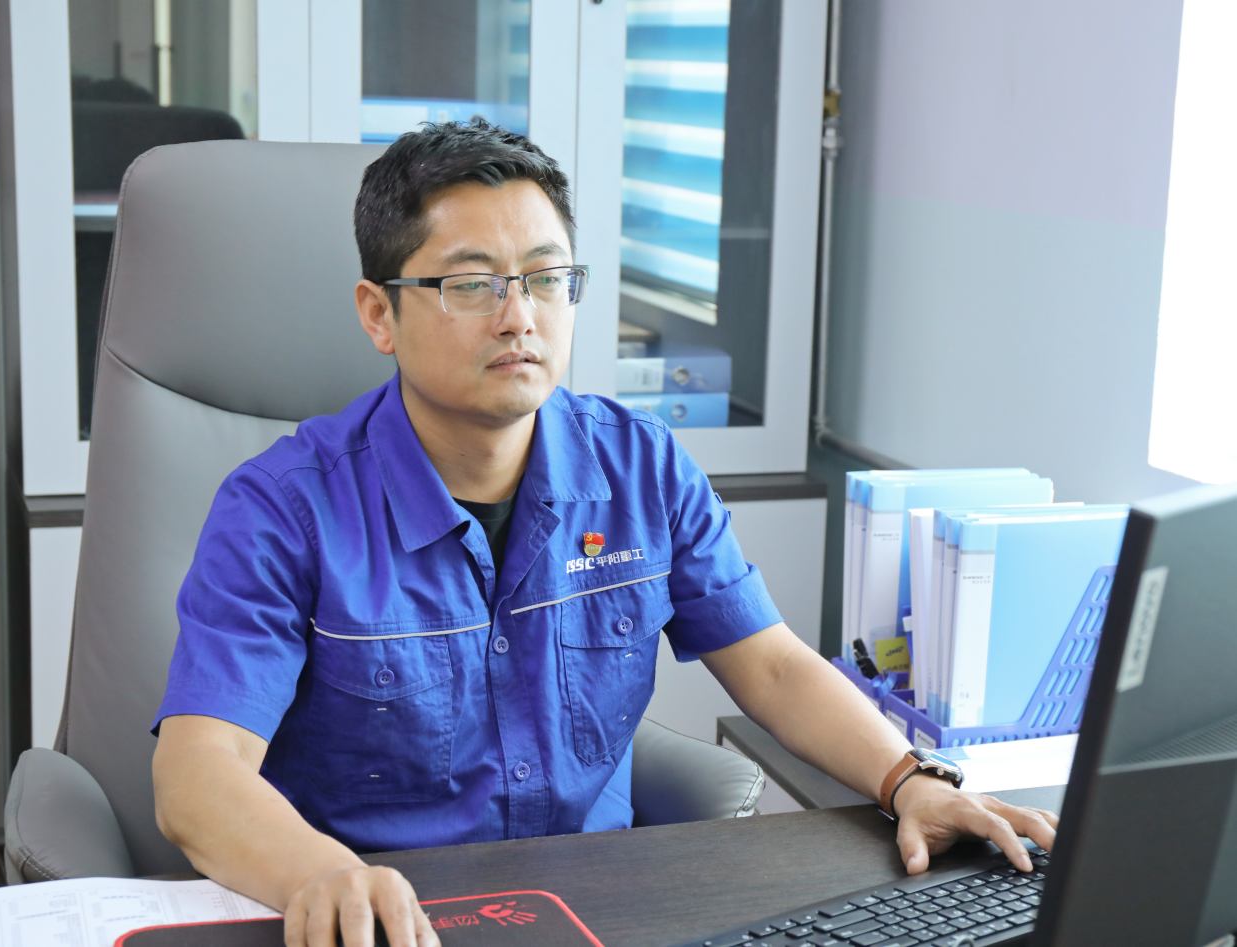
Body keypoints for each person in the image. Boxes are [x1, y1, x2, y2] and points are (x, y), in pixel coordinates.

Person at [150, 119, 1058, 947]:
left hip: (600, 909)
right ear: (379, 313)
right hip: (385, 920)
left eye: (547, 279)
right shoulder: (282, 509)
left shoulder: (640, 468)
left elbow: (773, 665)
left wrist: (911, 780)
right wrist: (321, 874)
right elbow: (197, 774)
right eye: (472, 284)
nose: (520, 316)